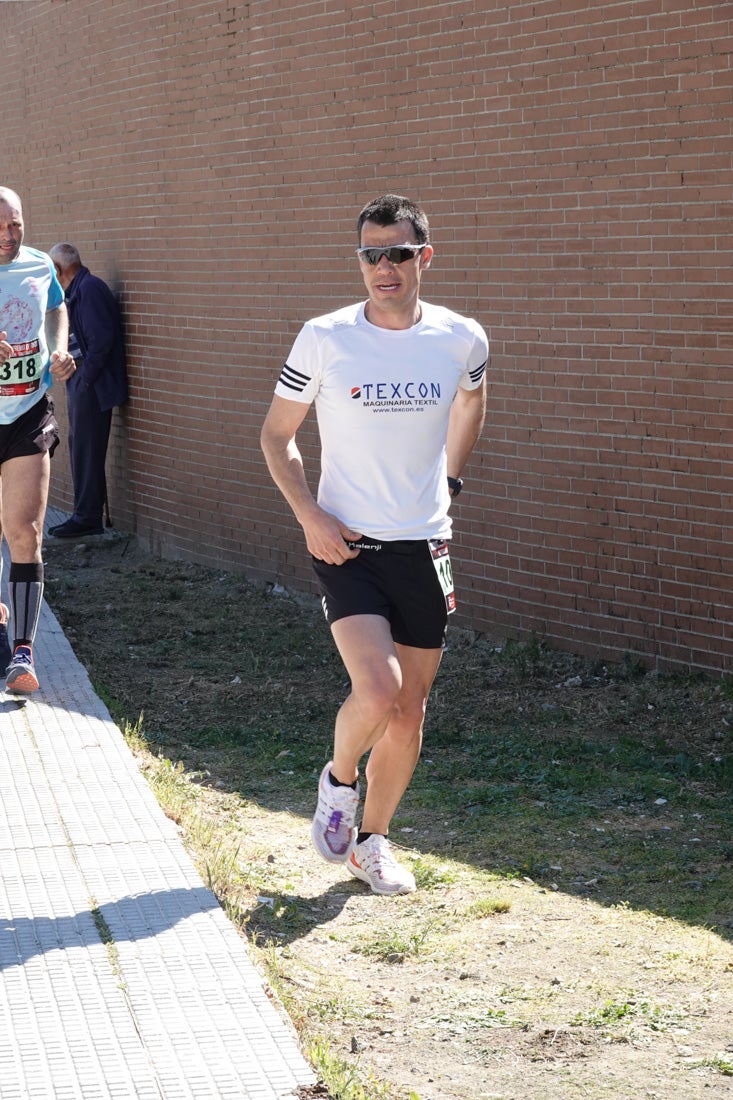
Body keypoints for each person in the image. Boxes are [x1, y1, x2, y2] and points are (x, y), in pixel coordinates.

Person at [260, 194, 488, 895]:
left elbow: (472, 402)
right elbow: (276, 436)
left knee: (411, 709)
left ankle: (372, 842)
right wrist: (309, 515)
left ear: (424, 256)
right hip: (346, 544)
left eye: (395, 253)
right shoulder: (324, 337)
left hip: (424, 543)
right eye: (369, 254)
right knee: (379, 688)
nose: (382, 267)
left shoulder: (461, 339)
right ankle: (338, 778)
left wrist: (449, 479)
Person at [0, 186, 77, 693]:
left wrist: (58, 348)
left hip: (27, 412)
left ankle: (22, 656)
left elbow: (55, 306)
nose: (9, 237)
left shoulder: (36, 265)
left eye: (16, 225)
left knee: (25, 532)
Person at [47, 243, 128, 538]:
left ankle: (86, 517)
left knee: (86, 447)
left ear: (58, 270)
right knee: (80, 445)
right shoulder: (77, 290)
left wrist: (86, 378)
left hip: (92, 384)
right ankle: (84, 514)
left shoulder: (90, 289)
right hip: (82, 381)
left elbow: (101, 341)